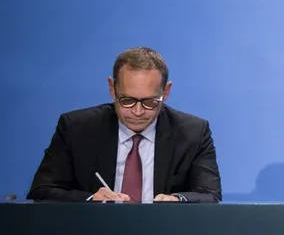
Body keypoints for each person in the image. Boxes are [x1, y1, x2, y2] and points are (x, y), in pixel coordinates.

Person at [27, 47, 222, 203]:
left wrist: (177, 200)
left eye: (150, 102)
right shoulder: (76, 128)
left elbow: (209, 194)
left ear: (166, 92)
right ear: (112, 88)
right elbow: (42, 191)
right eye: (127, 100)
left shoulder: (193, 133)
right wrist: (90, 200)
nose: (137, 112)